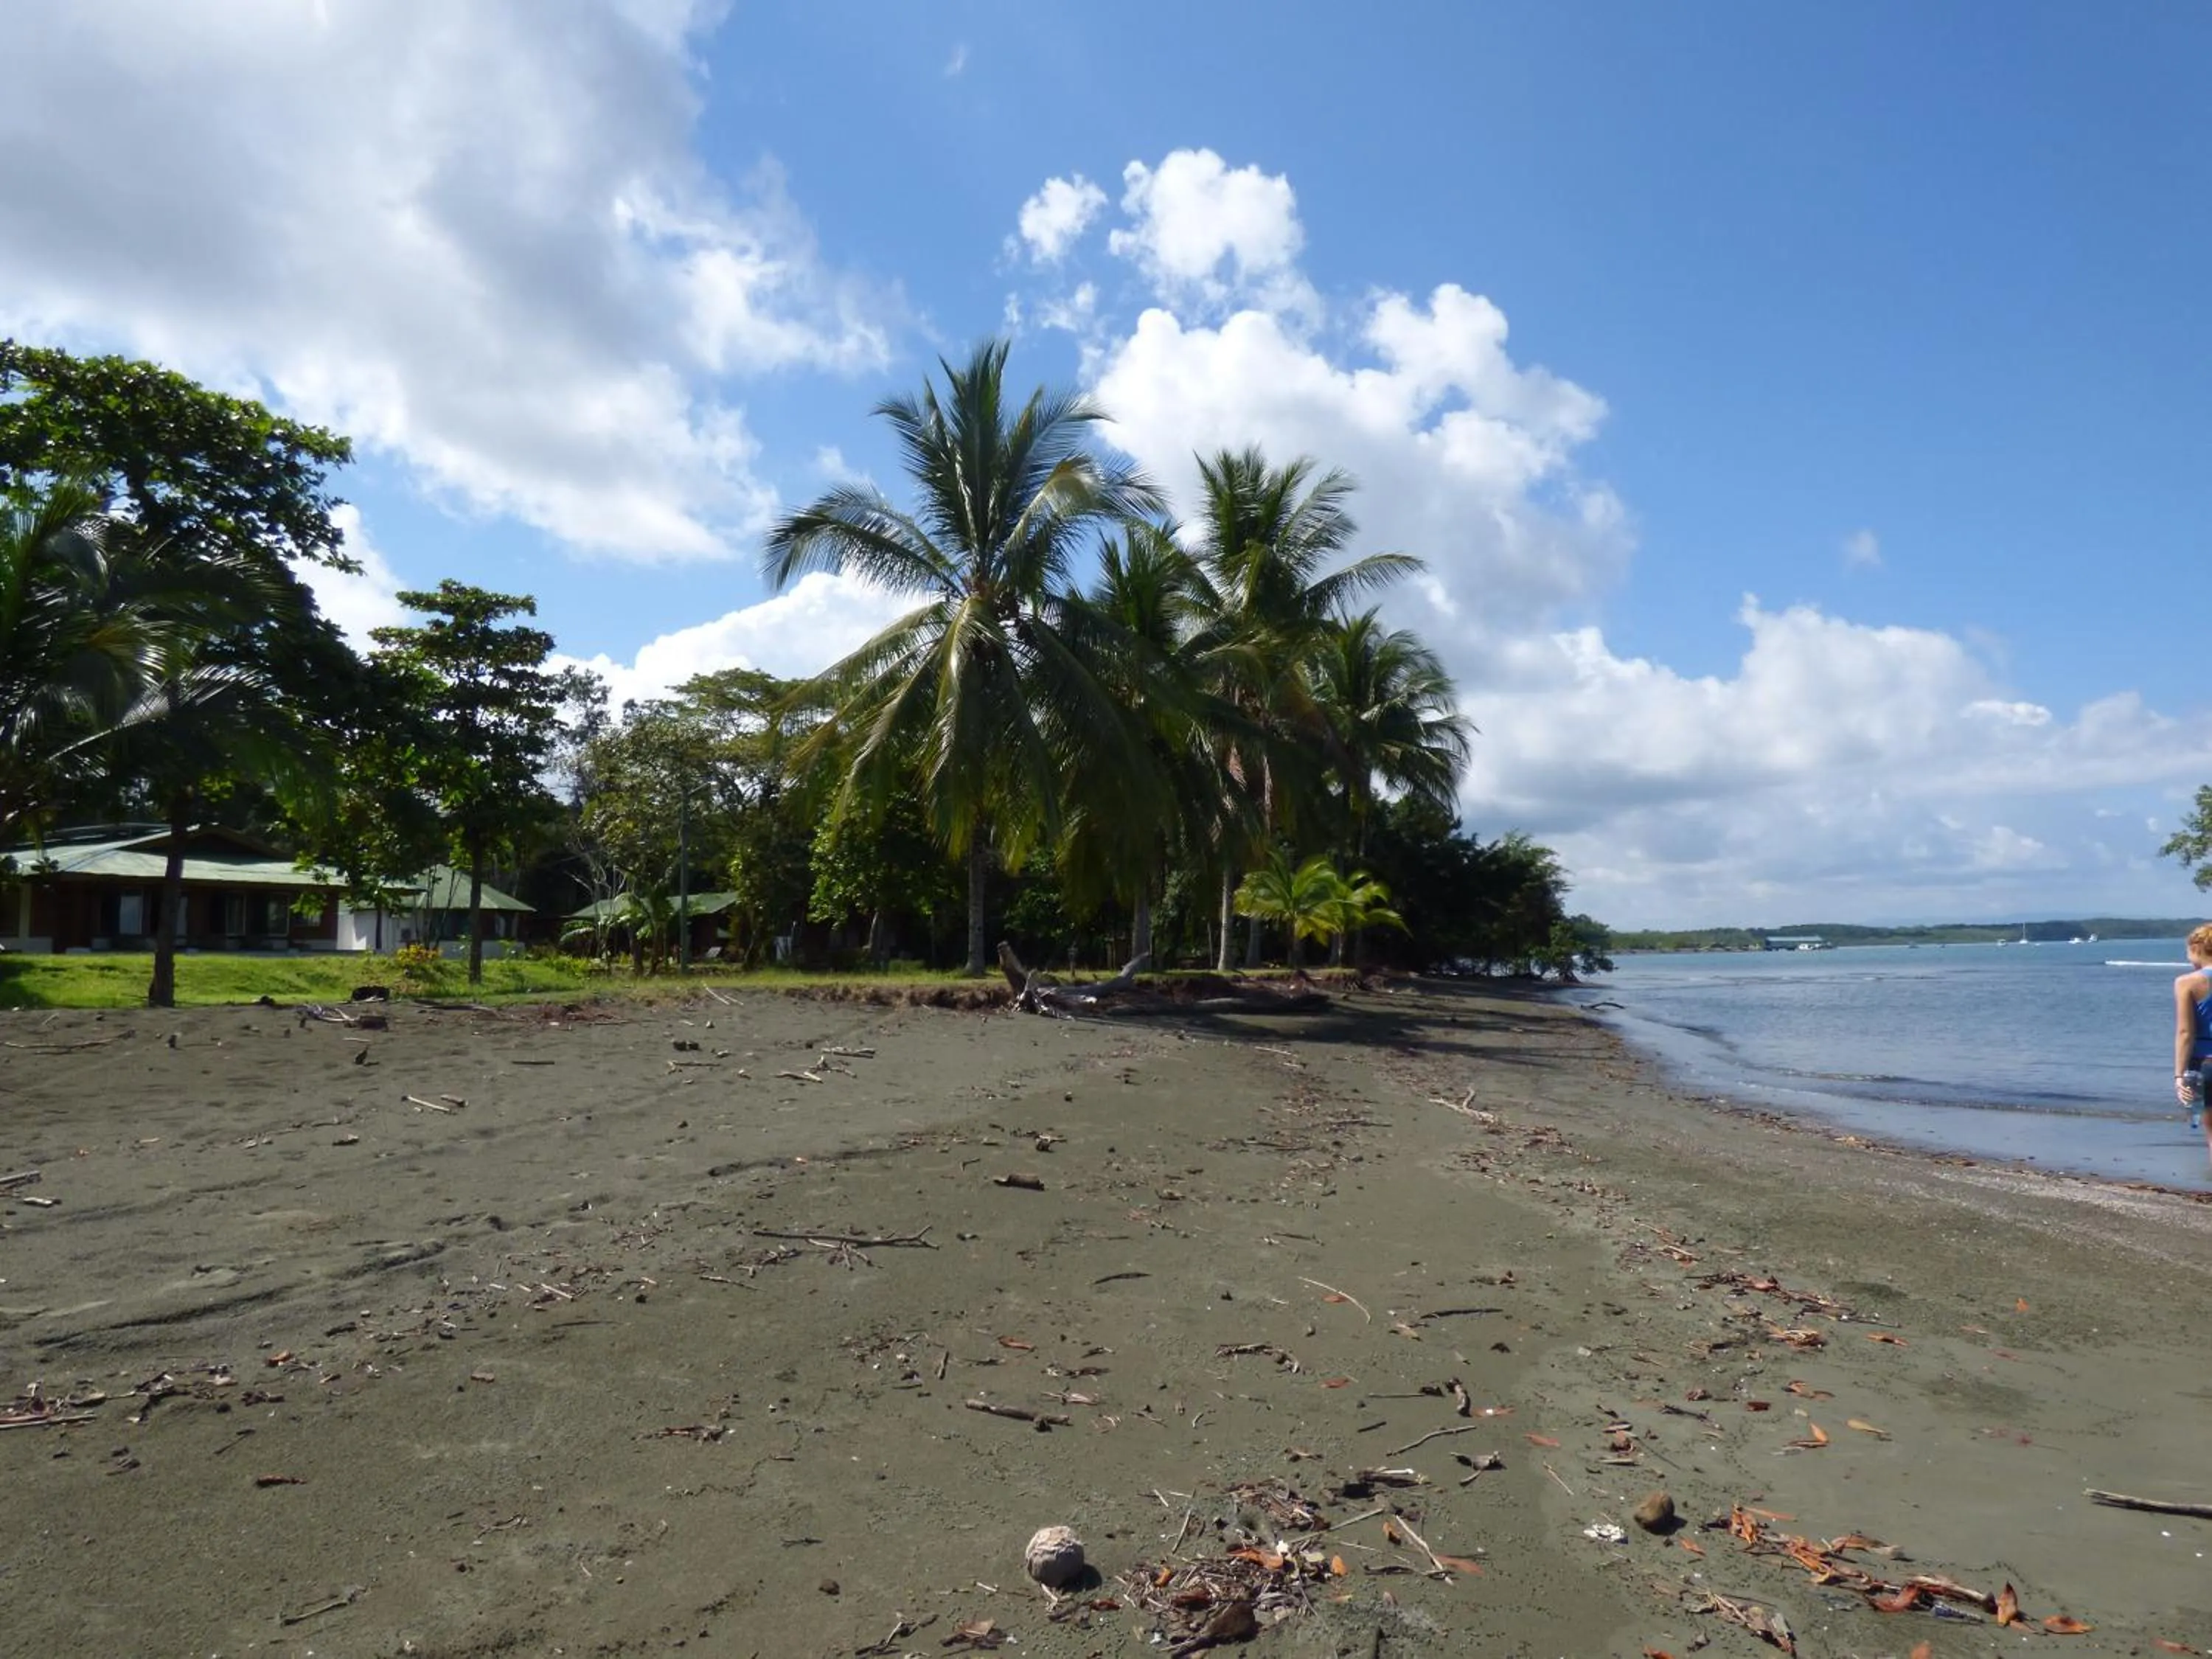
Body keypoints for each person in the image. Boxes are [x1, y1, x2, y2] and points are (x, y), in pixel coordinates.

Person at [2171, 923, 2212, 1155]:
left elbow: (2186, 1033)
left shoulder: (2186, 983)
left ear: (2197, 947)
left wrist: (2179, 1075)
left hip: (2205, 1064)